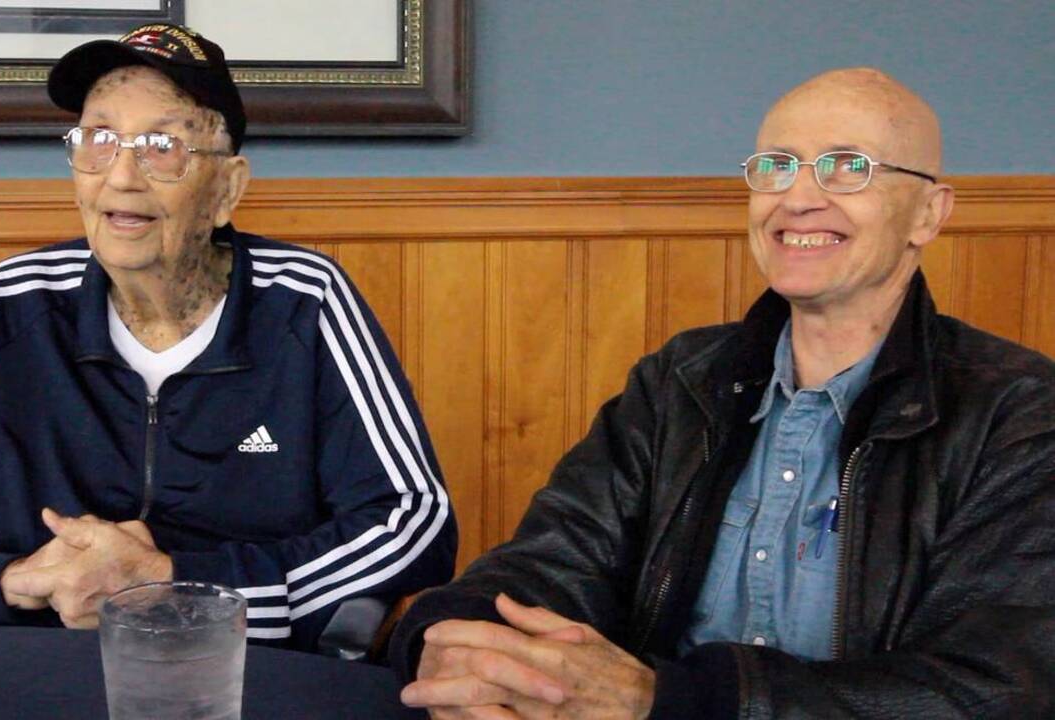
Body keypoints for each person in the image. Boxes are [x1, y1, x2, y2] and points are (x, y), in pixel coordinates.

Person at [391, 67, 1055, 718]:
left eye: (848, 167)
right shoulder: (680, 380)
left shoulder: (1019, 413)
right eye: (777, 165)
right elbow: (552, 565)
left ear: (929, 214)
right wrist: (455, 644)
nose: (798, 198)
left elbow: (993, 688)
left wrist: (670, 701)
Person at [0, 23, 456, 651]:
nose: (121, 177)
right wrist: (9, 581)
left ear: (226, 190)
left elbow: (412, 523)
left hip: (231, 668)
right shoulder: (11, 301)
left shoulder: (305, 301)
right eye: (98, 140)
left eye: (161, 146)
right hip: (24, 658)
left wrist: (177, 586)